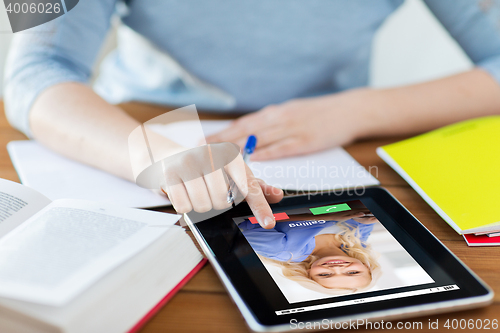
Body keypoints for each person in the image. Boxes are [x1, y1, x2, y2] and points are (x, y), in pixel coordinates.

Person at [5, 1, 500, 228]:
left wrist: (360, 109)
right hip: (130, 126)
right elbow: (32, 70)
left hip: (332, 145)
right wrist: (152, 152)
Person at [239, 210, 381, 294]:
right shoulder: (358, 241)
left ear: (309, 274)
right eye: (353, 272)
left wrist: (324, 215)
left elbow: (246, 223)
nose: (337, 268)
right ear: (366, 266)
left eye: (325, 275)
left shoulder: (282, 251)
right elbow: (359, 209)